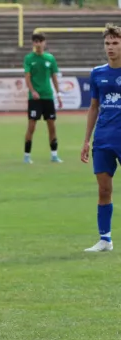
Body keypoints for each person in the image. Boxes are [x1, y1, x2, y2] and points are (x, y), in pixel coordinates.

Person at [81, 23, 121, 252]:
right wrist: (86, 140)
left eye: (115, 43)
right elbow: (93, 107)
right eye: (107, 43)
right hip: (104, 139)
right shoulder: (98, 73)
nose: (110, 48)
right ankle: (105, 239)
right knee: (104, 190)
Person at [23, 32, 64, 164]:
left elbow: (54, 77)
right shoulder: (29, 58)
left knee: (52, 126)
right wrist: (33, 91)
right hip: (35, 98)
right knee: (32, 126)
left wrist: (58, 94)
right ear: (33, 43)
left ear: (44, 43)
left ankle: (54, 155)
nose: (38, 44)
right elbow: (27, 77)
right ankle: (27, 156)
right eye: (36, 41)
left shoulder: (50, 58)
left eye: (40, 41)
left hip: (48, 97)